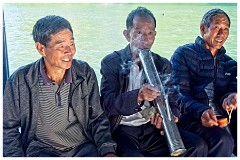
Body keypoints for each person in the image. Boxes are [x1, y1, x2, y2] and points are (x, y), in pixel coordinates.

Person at [100, 6, 208, 157]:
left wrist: (171, 115)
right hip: (122, 129)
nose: (145, 39)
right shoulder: (111, 62)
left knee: (197, 146)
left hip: (151, 128)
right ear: (126, 34)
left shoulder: (162, 64)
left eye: (150, 33)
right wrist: (138, 96)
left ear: (155, 36)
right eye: (138, 32)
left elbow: (173, 100)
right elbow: (107, 103)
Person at [3, 15, 117, 157]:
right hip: (41, 151)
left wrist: (108, 151)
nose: (69, 51)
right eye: (61, 46)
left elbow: (97, 118)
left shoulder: (85, 73)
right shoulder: (20, 80)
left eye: (71, 44)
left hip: (83, 148)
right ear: (41, 49)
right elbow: (7, 129)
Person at [170, 8, 237, 157]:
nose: (222, 34)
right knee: (223, 140)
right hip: (191, 117)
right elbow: (178, 93)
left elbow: (232, 88)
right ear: (203, 28)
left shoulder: (229, 63)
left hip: (223, 117)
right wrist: (201, 111)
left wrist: (231, 96)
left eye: (225, 29)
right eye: (217, 28)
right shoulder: (183, 54)